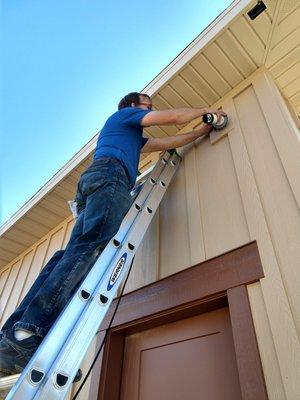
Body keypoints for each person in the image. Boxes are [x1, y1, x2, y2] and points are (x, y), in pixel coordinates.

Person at [0, 92, 226, 379]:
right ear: (133, 106)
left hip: (98, 179)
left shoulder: (132, 138)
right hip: (111, 176)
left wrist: (200, 131)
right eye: (147, 105)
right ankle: (28, 334)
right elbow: (172, 118)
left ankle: (13, 335)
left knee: (67, 257)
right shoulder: (124, 117)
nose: (151, 108)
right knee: (87, 252)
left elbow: (169, 142)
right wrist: (206, 108)